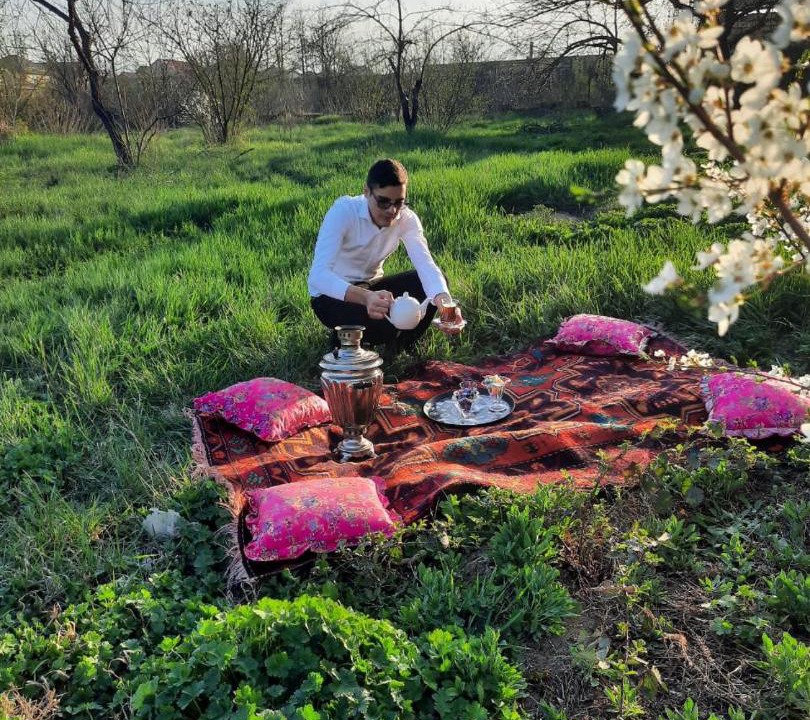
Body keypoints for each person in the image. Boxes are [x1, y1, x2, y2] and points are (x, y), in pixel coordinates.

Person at [308, 158, 464, 349]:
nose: (392, 210)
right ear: (367, 192)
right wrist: (366, 298)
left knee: (434, 288)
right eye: (383, 202)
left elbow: (426, 265)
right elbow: (318, 277)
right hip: (332, 296)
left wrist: (444, 303)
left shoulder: (406, 218)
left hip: (373, 286)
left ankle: (401, 348)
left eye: (399, 202)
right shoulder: (344, 211)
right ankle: (345, 339)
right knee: (383, 324)